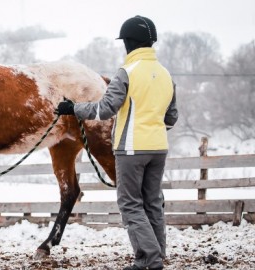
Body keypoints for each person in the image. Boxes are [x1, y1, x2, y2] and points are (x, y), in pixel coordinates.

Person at [56, 15, 178, 270]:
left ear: (129, 43)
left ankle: (149, 259)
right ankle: (158, 255)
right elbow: (171, 116)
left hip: (131, 149)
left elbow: (105, 109)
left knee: (130, 203)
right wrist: (151, 122)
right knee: (152, 202)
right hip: (159, 148)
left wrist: (72, 108)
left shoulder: (127, 73)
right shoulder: (166, 74)